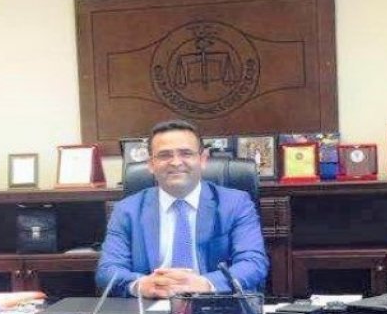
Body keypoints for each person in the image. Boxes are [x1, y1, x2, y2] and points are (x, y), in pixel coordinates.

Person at [96, 119, 269, 298]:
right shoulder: (127, 210)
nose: (176, 162)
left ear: (202, 160)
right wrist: (141, 284)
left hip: (213, 302)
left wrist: (206, 283)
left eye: (186, 153)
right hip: (151, 303)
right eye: (164, 155)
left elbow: (253, 263)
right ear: (151, 164)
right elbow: (108, 270)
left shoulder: (235, 203)